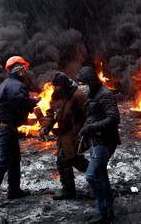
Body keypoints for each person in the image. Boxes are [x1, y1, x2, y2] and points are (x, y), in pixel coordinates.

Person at [0, 56, 40, 209]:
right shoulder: (15, 85)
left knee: (14, 159)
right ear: (20, 69)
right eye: (24, 68)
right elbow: (19, 101)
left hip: (8, 128)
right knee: (3, 161)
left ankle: (14, 190)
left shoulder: (6, 84)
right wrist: (34, 101)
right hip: (7, 129)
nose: (26, 70)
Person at [77, 66, 121, 224]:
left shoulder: (105, 94)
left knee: (92, 175)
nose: (80, 86)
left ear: (90, 81)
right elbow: (93, 116)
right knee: (101, 174)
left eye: (82, 83)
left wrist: (92, 128)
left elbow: (114, 118)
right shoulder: (92, 93)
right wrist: (84, 130)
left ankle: (101, 210)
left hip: (104, 141)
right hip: (96, 140)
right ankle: (108, 209)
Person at [39, 72, 89, 200]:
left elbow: (88, 116)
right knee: (65, 161)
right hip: (64, 135)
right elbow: (52, 114)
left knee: (69, 159)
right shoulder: (56, 95)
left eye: (58, 86)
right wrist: (46, 126)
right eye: (54, 86)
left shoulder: (78, 95)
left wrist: (85, 133)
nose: (55, 89)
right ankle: (70, 189)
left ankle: (95, 173)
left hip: (75, 134)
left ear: (65, 84)